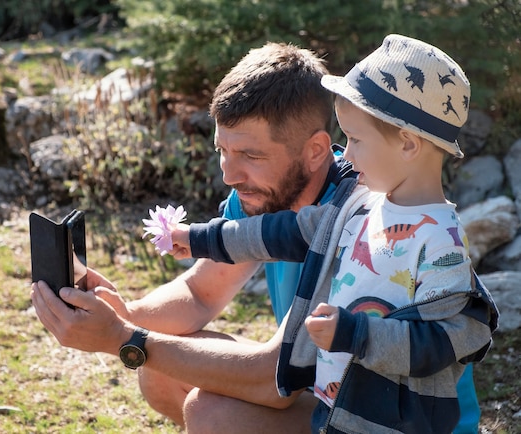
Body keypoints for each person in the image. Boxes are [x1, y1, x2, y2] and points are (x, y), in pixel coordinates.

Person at [31, 40, 485, 433]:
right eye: (222, 151)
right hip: (329, 387)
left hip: (396, 416)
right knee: (162, 371)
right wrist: (120, 315)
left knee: (211, 411)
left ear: (316, 151)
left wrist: (124, 339)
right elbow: (198, 292)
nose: (229, 175)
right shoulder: (259, 195)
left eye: (249, 154)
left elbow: (272, 378)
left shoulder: (365, 213)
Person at [167, 34, 498, 433]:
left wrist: (355, 333)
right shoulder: (359, 203)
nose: (348, 154)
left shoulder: (439, 242)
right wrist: (201, 238)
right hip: (339, 414)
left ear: (408, 145)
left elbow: (450, 338)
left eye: (356, 140)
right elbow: (286, 232)